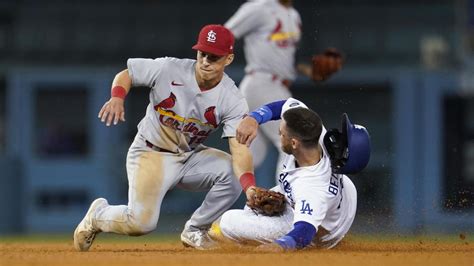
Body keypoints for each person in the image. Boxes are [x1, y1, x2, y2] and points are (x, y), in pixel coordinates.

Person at [73, 24, 260, 251]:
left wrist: (249, 187)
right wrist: (117, 97)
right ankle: (98, 215)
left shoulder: (232, 98)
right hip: (151, 152)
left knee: (233, 172)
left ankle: (195, 229)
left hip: (189, 156)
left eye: (214, 57)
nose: (205, 61)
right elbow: (127, 74)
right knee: (140, 224)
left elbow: (239, 149)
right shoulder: (169, 69)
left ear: (228, 59)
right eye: (202, 54)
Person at [211, 98, 371, 251]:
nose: (279, 133)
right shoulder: (313, 130)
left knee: (228, 222)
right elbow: (284, 105)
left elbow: (305, 230)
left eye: (281, 134)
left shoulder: (312, 188)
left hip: (322, 233)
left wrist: (281, 245)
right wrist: (254, 118)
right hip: (339, 204)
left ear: (294, 143)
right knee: (252, 206)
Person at [225, 0, 343, 179]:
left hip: (274, 85)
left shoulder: (294, 15)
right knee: (294, 140)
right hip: (262, 82)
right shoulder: (258, 8)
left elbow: (286, 62)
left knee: (250, 157)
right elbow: (222, 36)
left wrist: (309, 72)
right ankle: (284, 198)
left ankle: (207, 178)